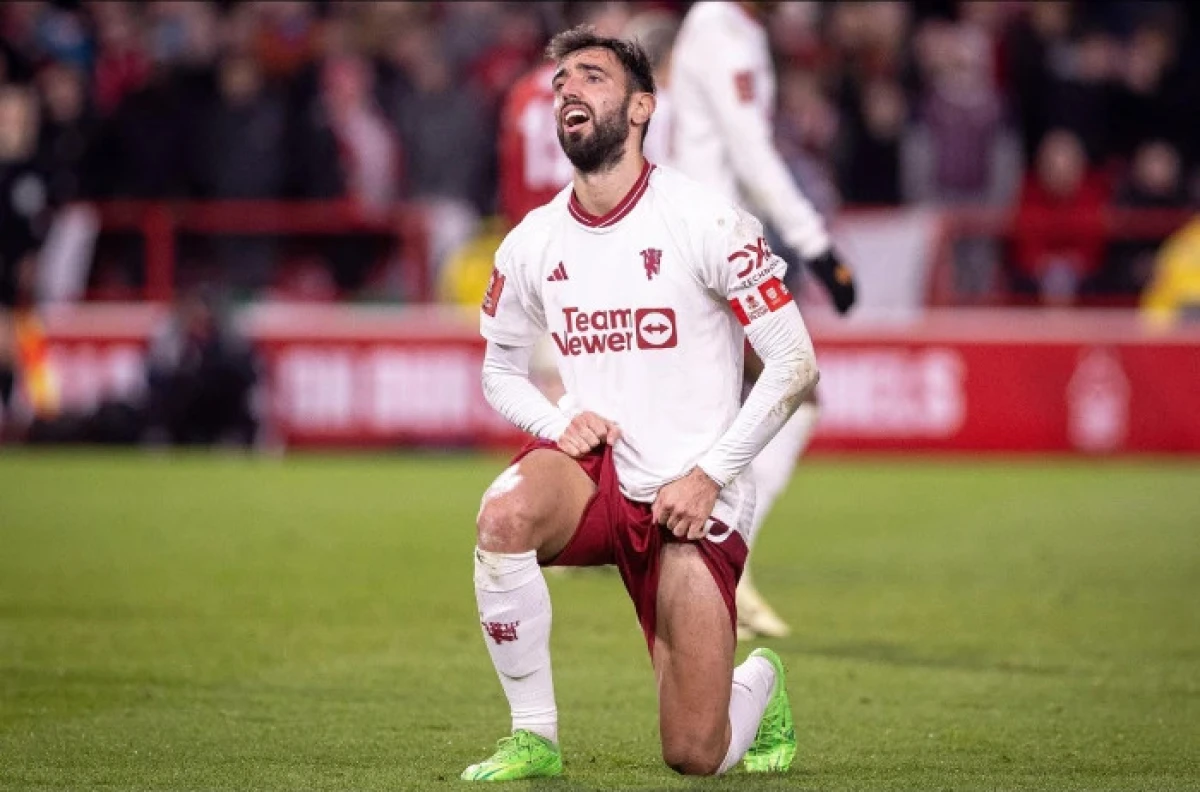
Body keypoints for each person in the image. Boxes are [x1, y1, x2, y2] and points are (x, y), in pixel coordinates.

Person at [464, 27, 819, 781]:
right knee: (501, 516)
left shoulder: (706, 220)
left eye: (591, 77)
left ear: (641, 107)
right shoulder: (532, 241)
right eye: (561, 83)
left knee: (694, 752)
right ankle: (535, 735)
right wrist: (559, 423)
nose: (568, 93)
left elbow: (793, 361)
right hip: (596, 473)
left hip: (696, 495)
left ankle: (759, 684)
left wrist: (711, 474)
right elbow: (498, 371)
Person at [669, 0, 857, 639]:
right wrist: (816, 243)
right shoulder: (721, 29)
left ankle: (716, 555)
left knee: (745, 403)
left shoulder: (724, 28)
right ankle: (726, 556)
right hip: (710, 245)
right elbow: (749, 151)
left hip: (710, 237)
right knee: (796, 390)